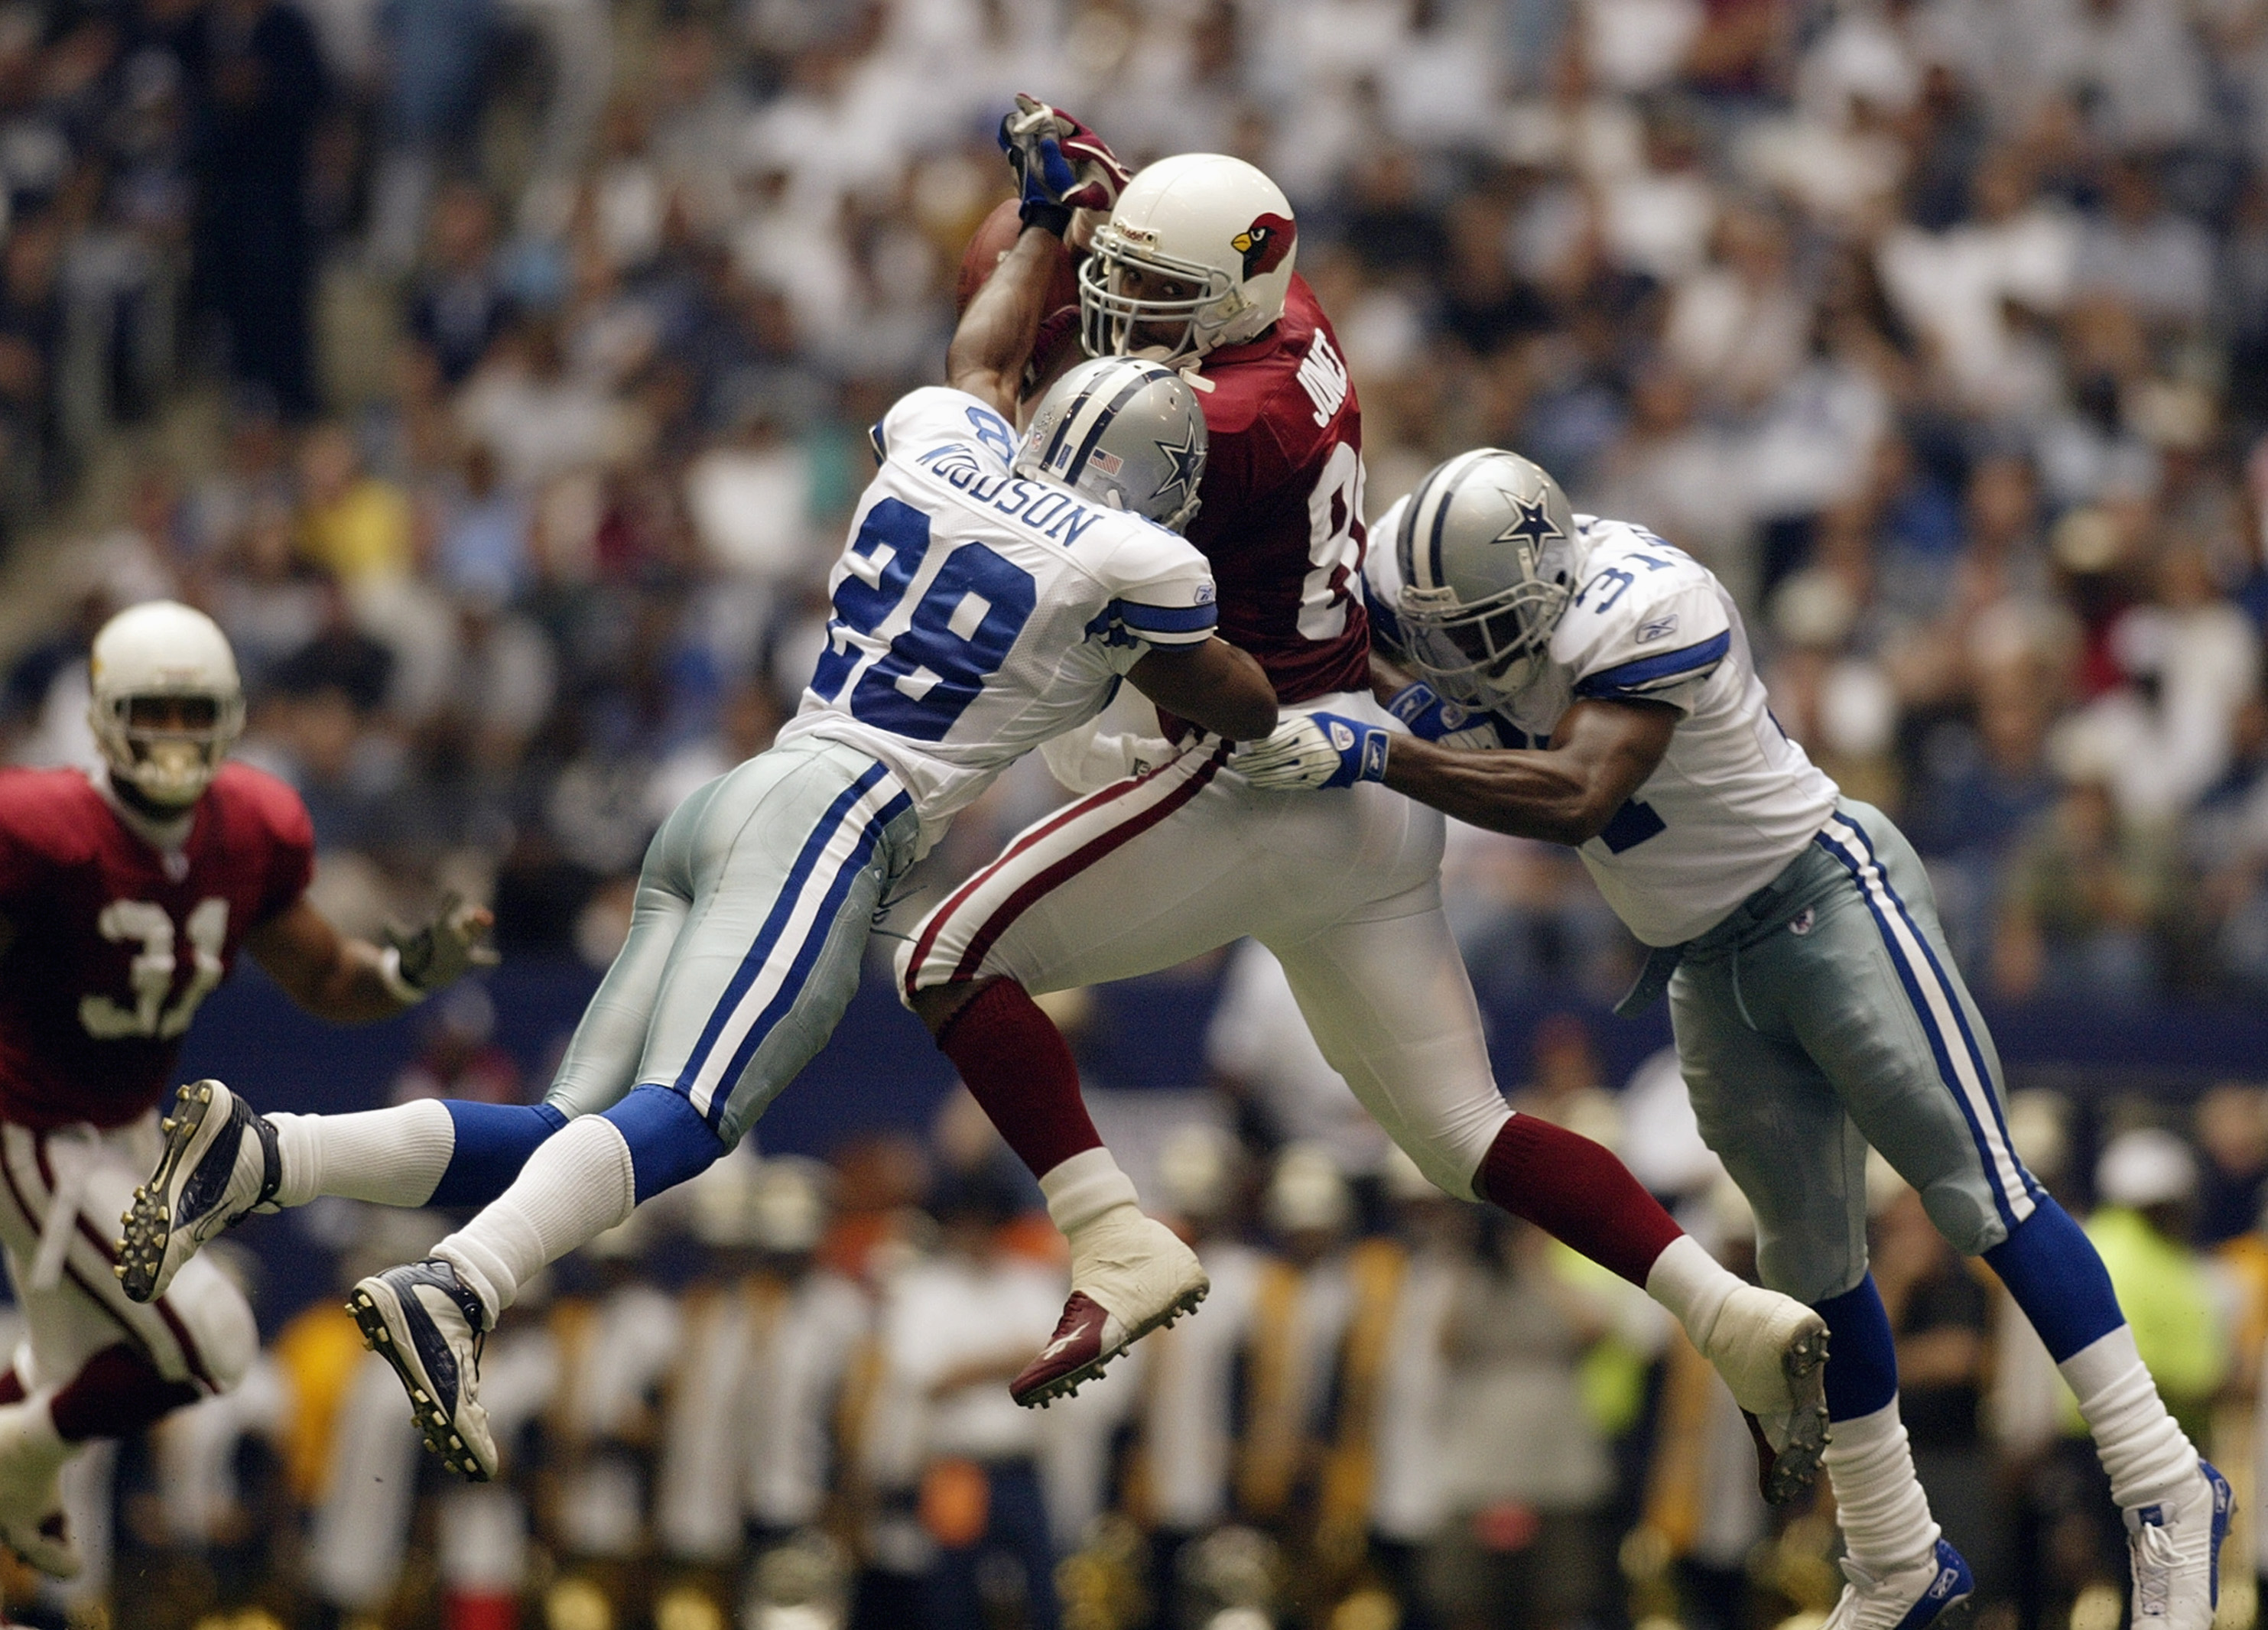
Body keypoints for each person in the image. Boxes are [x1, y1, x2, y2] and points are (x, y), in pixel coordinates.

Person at [120, 242, 1279, 1486]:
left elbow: (978, 356)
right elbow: (1245, 704)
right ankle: (458, 1285)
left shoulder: (951, 435)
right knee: (692, 1119)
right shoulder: (1142, 559)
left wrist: (1046, 220)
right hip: (842, 820)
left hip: (735, 792)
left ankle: (266, 1155)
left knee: (572, 1133)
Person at [895, 105, 1830, 1493]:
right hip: (1367, 779)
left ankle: (1111, 1230)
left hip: (1257, 772)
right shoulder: (1290, 315)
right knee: (1467, 1133)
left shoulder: (1219, 428)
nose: (1126, 316)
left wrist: (1029, 247)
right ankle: (1724, 1308)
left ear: (1229, 296)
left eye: (1156, 299)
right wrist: (1114, 191)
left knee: (945, 954)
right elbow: (1192, 240)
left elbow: (1020, 436)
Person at [1234, 447, 2231, 1630]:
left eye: (1477, 633)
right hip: (1700, 960)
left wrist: (1380, 749)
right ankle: (1894, 1558)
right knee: (1805, 1266)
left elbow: (1577, 796)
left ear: (1545, 586)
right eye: (1435, 631)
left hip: (1821, 900)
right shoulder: (1440, 566)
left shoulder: (1648, 602)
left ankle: (2163, 1483)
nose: (1449, 660)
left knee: (1977, 1192)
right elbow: (1368, 633)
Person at [0, 599, 492, 1575]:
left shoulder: (251, 828)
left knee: (71, 1370)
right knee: (213, 1339)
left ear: (229, 716)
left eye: (194, 715)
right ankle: (13, 1458)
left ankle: (18, 1455)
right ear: (104, 715)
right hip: (37, 1127)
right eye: (153, 711)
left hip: (131, 1132)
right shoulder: (40, 826)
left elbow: (323, 976)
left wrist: (401, 974)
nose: (174, 739)